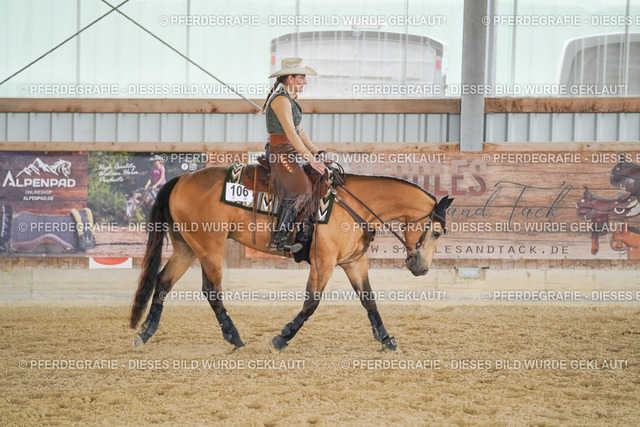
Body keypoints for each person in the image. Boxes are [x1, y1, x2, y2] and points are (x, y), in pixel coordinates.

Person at [260, 58, 328, 254]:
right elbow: (291, 133)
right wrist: (310, 159)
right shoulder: (281, 100)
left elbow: (299, 130)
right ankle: (279, 238)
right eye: (302, 78)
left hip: (288, 150)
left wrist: (315, 152)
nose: (305, 82)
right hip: (280, 151)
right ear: (290, 78)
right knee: (300, 189)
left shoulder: (289, 99)